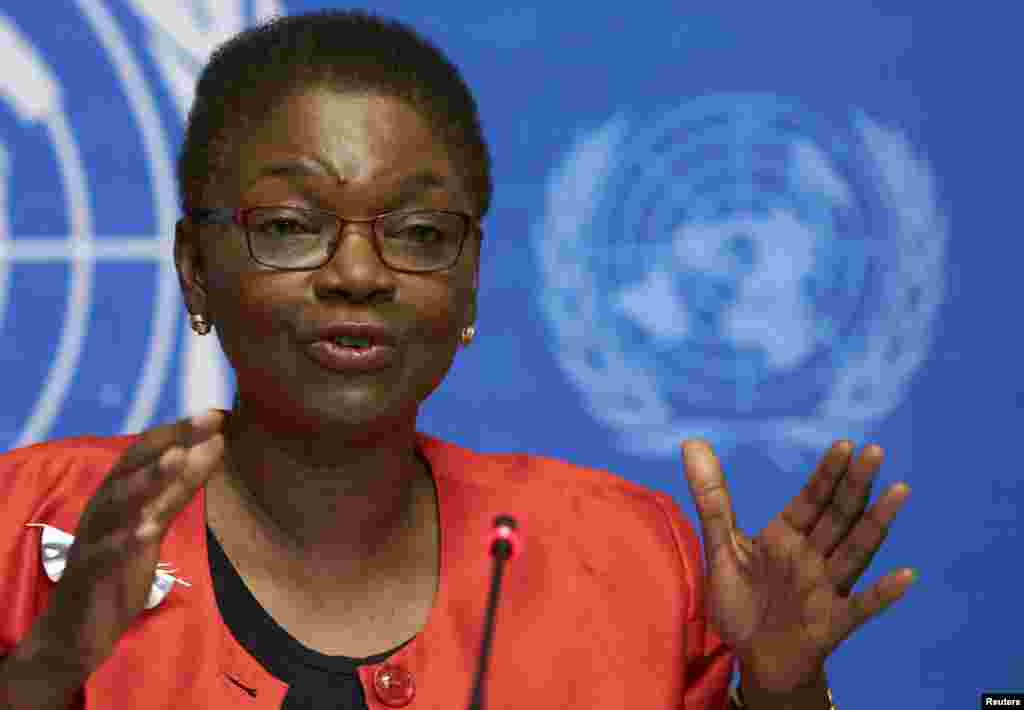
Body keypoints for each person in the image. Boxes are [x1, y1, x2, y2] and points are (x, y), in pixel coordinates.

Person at [0, 10, 916, 710]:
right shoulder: (26, 522)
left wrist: (778, 691)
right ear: (196, 271)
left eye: (419, 231)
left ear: (468, 278)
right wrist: (48, 669)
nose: (357, 273)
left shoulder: (630, 562)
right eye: (289, 227)